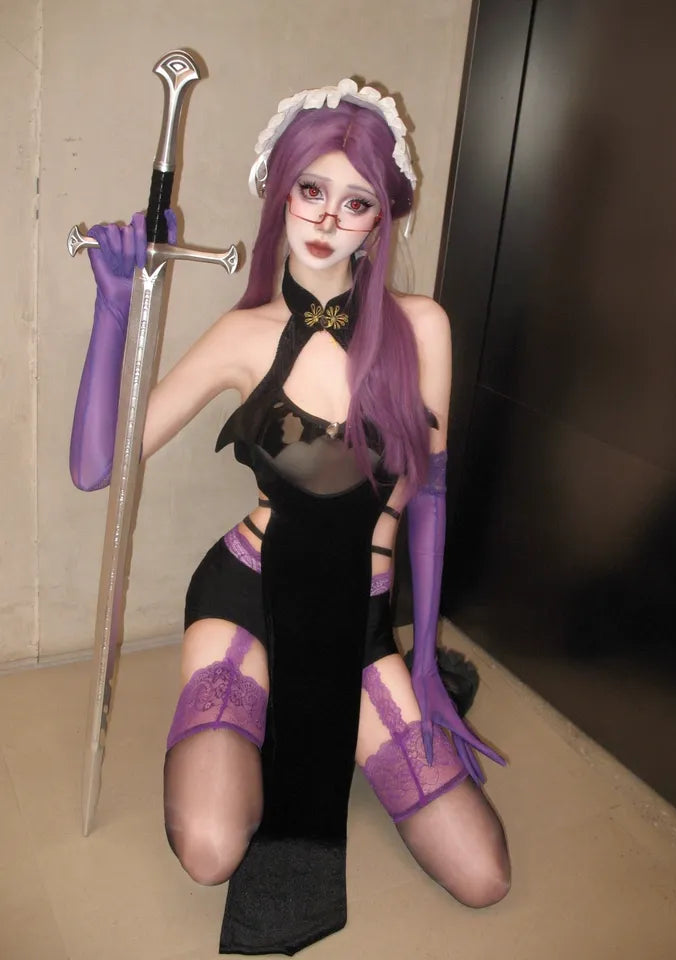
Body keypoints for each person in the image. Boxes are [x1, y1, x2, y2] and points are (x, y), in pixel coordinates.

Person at [70, 78, 510, 956]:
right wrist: (115, 307)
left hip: (356, 619)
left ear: (381, 220)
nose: (328, 218)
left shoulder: (422, 329)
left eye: (357, 201)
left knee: (482, 874)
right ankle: (236, 712)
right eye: (312, 189)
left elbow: (428, 494)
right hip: (250, 596)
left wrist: (423, 657)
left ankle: (293, 720)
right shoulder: (243, 337)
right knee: (209, 848)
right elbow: (97, 468)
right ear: (280, 191)